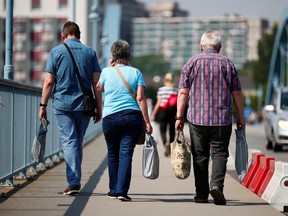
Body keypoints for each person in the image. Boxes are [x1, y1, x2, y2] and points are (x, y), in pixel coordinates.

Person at [175, 30, 245, 205]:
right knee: (220, 153)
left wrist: (179, 117)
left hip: (197, 118)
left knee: (200, 155)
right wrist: (241, 117)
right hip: (222, 118)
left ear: (201, 46)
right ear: (219, 47)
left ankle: (201, 195)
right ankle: (217, 186)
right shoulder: (228, 64)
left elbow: (183, 92)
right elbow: (236, 93)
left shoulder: (191, 62)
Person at [38, 21, 102, 195]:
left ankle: (73, 182)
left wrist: (42, 105)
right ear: (79, 35)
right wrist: (99, 107)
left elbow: (49, 81)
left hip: (63, 105)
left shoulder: (56, 52)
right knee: (76, 142)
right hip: (85, 106)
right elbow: (96, 83)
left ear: (63, 35)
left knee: (70, 142)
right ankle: (74, 180)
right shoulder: (90, 52)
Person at [96, 39, 153, 201]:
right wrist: (147, 122)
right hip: (131, 117)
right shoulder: (136, 73)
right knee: (126, 153)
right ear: (129, 56)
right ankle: (122, 191)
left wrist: (109, 66)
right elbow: (141, 99)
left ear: (113, 55)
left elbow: (98, 88)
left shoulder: (106, 72)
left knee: (112, 154)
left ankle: (113, 190)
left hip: (110, 117)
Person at [151, 73, 178, 157]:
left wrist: (153, 114)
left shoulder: (161, 90)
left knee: (162, 129)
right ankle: (170, 144)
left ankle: (165, 142)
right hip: (173, 111)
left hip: (163, 111)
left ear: (165, 80)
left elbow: (158, 103)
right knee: (172, 130)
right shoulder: (176, 90)